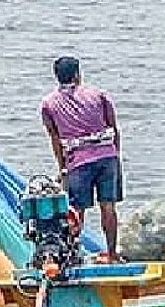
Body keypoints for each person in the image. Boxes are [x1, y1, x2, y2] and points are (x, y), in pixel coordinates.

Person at [40, 56, 123, 262]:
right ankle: (112, 254)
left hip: (77, 160)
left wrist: (63, 168)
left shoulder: (49, 104)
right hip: (107, 155)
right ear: (77, 74)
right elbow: (114, 128)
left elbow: (55, 139)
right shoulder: (98, 95)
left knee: (77, 210)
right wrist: (115, 155)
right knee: (108, 206)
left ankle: (71, 256)